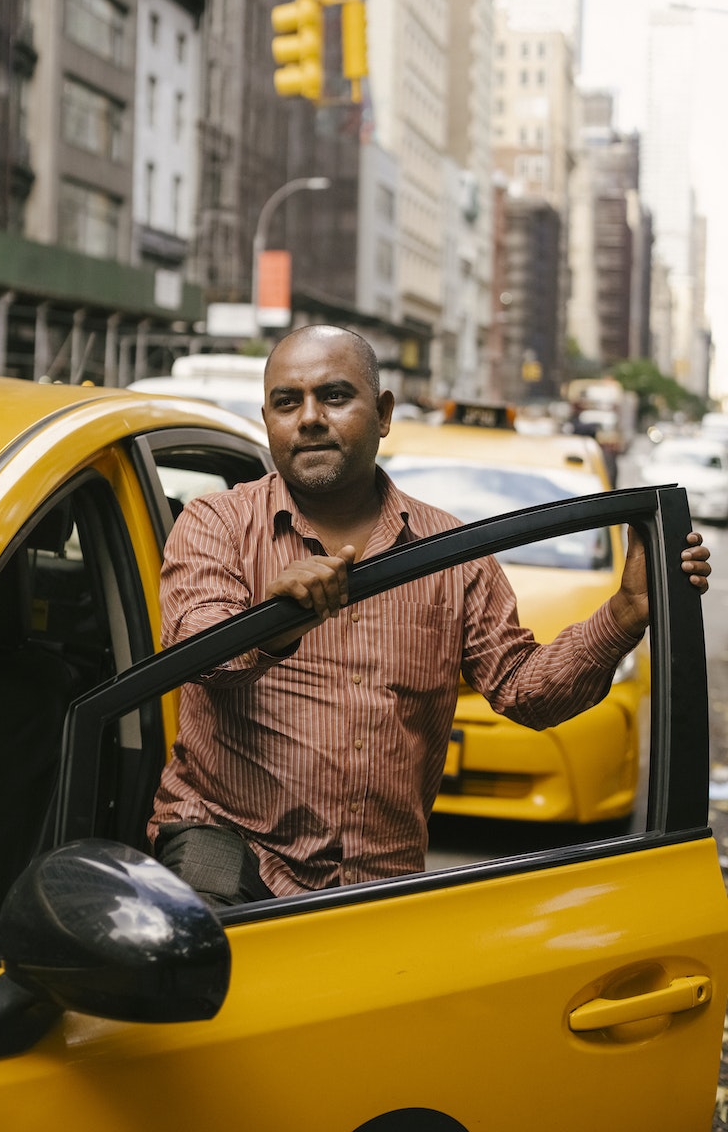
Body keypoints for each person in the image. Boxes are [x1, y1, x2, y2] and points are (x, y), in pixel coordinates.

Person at [147, 324, 711, 908]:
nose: (310, 418)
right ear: (268, 419)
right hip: (230, 849)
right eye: (287, 402)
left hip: (381, 884)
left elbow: (526, 691)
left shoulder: (452, 554)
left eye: (335, 397)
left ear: (384, 413)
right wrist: (273, 618)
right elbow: (197, 649)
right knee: (197, 965)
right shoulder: (216, 523)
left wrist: (625, 612)